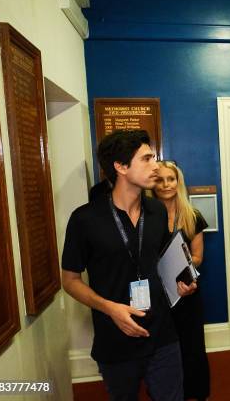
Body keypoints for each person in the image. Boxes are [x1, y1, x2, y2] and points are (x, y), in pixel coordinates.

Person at [61, 130, 183, 401]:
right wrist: (109, 308)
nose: (156, 165)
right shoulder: (85, 219)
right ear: (121, 167)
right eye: (147, 159)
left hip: (162, 334)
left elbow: (160, 263)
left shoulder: (157, 211)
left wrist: (179, 283)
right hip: (115, 339)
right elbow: (69, 280)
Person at [152, 160, 210, 401]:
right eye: (160, 179)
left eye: (171, 179)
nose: (166, 184)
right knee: (162, 350)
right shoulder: (145, 216)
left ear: (179, 182)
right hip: (158, 295)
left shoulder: (192, 215)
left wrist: (180, 267)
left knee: (192, 347)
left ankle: (198, 393)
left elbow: (198, 257)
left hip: (187, 291)